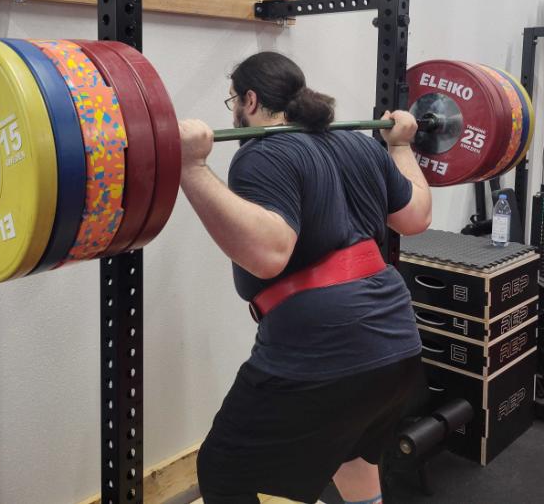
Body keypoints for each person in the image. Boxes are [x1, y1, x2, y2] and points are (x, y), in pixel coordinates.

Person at [178, 51, 432, 504]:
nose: (234, 111)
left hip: (323, 351)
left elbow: (269, 254)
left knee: (223, 467)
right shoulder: (359, 144)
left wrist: (191, 167)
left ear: (250, 100)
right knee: (353, 453)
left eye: (233, 100)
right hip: (396, 343)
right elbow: (415, 216)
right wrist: (399, 146)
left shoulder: (262, 155)